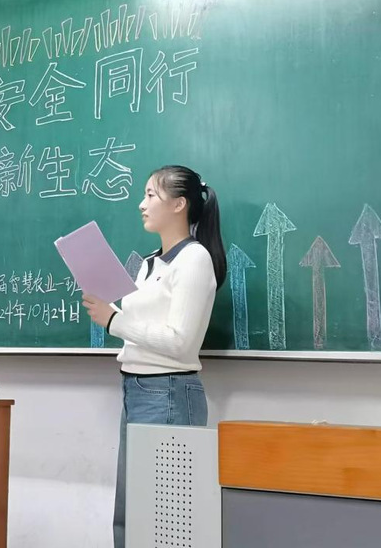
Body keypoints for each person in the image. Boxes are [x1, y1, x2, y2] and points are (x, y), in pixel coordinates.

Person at [82, 165, 227, 548]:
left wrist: (114, 320)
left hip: (168, 392)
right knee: (131, 514)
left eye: (150, 195)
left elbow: (181, 342)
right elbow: (143, 327)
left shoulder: (194, 259)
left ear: (179, 204)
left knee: (165, 523)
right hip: (137, 389)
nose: (141, 204)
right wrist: (111, 312)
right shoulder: (149, 264)